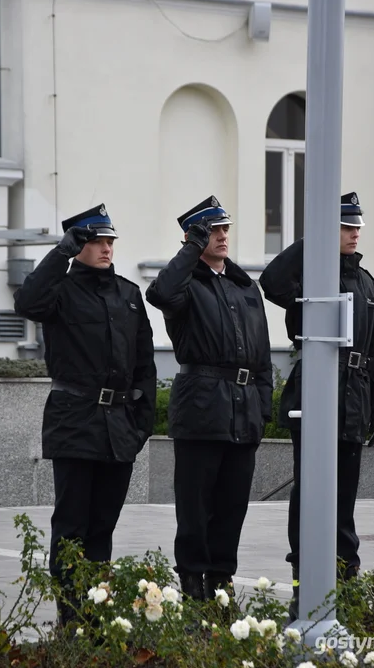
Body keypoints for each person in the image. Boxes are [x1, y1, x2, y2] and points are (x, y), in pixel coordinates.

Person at [14, 204, 156, 625]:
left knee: (102, 528)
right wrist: (61, 253)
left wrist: (141, 423)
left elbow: (145, 364)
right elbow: (27, 301)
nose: (106, 247)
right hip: (74, 420)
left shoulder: (129, 294)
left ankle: (97, 616)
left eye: (110, 240)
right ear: (78, 244)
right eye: (95, 240)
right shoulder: (60, 290)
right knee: (72, 525)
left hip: (118, 427)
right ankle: (71, 618)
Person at [259, 192, 374, 618]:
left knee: (344, 498)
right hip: (316, 393)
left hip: (354, 397)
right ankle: (304, 579)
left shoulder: (367, 283)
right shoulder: (312, 274)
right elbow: (272, 282)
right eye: (344, 227)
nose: (353, 234)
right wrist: (309, 241)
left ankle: (345, 579)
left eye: (356, 228)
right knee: (310, 494)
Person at [146, 196, 273, 601]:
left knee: (232, 506)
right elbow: (161, 294)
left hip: (244, 409)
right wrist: (189, 248)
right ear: (194, 236)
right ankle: (193, 583)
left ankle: (221, 583)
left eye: (224, 229)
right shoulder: (185, 285)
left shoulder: (243, 285)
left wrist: (263, 405)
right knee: (195, 508)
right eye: (213, 230)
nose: (222, 236)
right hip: (202, 407)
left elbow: (264, 355)